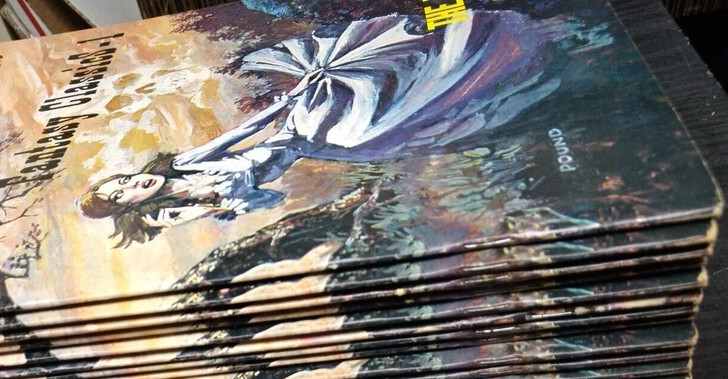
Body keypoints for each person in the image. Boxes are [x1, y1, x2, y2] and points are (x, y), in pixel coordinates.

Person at [80, 9, 576, 246]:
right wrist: (225, 204)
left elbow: (236, 138)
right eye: (123, 195)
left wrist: (288, 102)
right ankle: (502, 57)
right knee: (389, 119)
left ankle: (462, 11)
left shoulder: (186, 164)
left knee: (370, 50)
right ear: (132, 207)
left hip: (298, 124)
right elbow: (269, 197)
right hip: (315, 145)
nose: (133, 184)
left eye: (121, 180)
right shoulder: (197, 199)